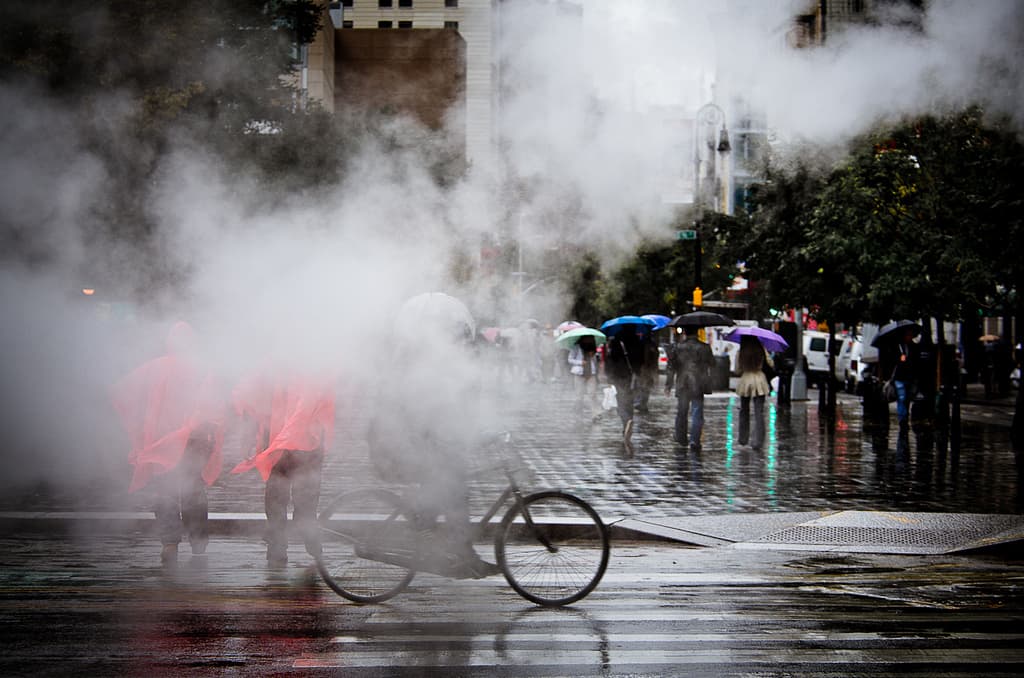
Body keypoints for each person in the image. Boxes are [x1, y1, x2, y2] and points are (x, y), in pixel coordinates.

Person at [111, 321, 225, 565]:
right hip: (195, 439)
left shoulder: (155, 367)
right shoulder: (204, 368)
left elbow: (123, 392)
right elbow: (214, 406)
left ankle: (170, 542)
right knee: (193, 489)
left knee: (165, 490)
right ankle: (198, 541)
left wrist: (140, 430)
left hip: (162, 442)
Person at [232, 367, 335, 568]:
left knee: (285, 501)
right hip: (293, 445)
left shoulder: (278, 368)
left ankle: (288, 546)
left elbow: (254, 401)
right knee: (287, 500)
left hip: (290, 445)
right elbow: (257, 402)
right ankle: (298, 544)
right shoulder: (310, 366)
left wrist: (250, 439)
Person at [664, 326, 714, 451]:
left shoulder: (677, 347)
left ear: (685, 332)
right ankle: (695, 441)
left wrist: (668, 385)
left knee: (682, 412)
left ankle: (681, 438)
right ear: (697, 332)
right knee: (697, 413)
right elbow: (713, 363)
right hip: (698, 383)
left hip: (682, 383)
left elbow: (671, 367)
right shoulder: (704, 347)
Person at [605, 328, 646, 450]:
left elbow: (610, 360)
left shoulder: (616, 342)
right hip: (632, 376)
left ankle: (626, 421)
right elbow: (641, 360)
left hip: (618, 376)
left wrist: (609, 377)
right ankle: (628, 423)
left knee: (621, 402)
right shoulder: (637, 342)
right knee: (629, 401)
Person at [735, 335, 772, 450]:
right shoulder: (761, 350)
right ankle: (758, 441)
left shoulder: (740, 352)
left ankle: (743, 439)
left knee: (744, 410)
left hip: (745, 380)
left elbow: (737, 370)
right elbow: (771, 364)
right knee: (759, 412)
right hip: (760, 380)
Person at [880, 326, 920, 432]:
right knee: (901, 397)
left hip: (910, 377)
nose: (909, 337)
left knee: (907, 399)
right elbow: (891, 360)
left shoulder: (914, 347)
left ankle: (904, 416)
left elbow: (916, 361)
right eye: (907, 335)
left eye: (910, 335)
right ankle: (903, 420)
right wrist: (899, 359)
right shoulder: (897, 346)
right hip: (899, 377)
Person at [568, 334, 600, 420]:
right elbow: (570, 359)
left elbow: (596, 362)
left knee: (592, 394)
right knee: (579, 395)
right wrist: (580, 362)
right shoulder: (576, 347)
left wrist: (594, 356)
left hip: (591, 373)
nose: (589, 340)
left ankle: (595, 413)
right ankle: (578, 413)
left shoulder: (593, 348)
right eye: (587, 338)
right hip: (579, 373)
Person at [634, 333, 661, 414]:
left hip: (645, 370)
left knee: (644, 387)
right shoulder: (650, 345)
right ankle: (641, 403)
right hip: (645, 370)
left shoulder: (648, 345)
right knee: (644, 387)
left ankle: (642, 403)